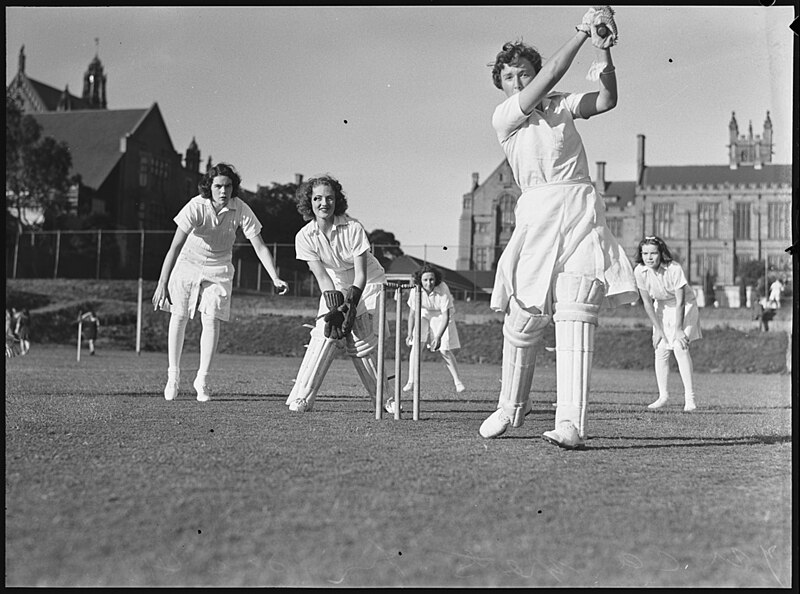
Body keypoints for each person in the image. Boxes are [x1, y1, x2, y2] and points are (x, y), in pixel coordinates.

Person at [478, 6, 638, 450]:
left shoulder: (562, 106)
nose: (518, 80)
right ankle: (511, 406)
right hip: (536, 214)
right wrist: (583, 30)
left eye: (522, 72)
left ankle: (571, 424)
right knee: (524, 319)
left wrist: (604, 55)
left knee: (577, 307)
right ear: (503, 84)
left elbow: (606, 100)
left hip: (580, 207)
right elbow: (550, 74)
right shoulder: (506, 117)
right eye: (510, 76)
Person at [152, 162, 289, 402]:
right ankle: (173, 376)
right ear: (209, 187)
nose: (223, 191)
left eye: (228, 186)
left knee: (212, 318)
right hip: (188, 261)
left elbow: (259, 246)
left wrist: (275, 277)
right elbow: (174, 247)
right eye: (218, 186)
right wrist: (162, 283)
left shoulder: (241, 209)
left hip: (220, 265)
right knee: (179, 315)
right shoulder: (196, 206)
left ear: (233, 187)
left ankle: (202, 380)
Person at [285, 174, 395, 414]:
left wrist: (351, 304)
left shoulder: (353, 227)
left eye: (329, 198)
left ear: (337, 201)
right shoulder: (303, 236)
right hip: (334, 282)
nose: (324, 203)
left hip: (369, 281)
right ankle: (302, 397)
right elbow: (323, 278)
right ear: (309, 202)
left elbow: (361, 275)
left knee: (364, 341)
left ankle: (386, 400)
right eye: (317, 199)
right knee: (326, 335)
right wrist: (336, 309)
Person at [634, 236, 702, 411]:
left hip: (685, 306)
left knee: (680, 347)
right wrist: (657, 329)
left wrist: (678, 329)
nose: (649, 258)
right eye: (645, 253)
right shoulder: (639, 271)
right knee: (660, 349)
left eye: (653, 253)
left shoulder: (674, 268)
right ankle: (663, 396)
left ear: (661, 253)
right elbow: (648, 303)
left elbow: (680, 302)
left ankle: (690, 399)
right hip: (661, 308)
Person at [403, 264, 466, 394]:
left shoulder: (443, 288)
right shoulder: (415, 290)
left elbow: (445, 316)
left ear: (436, 279)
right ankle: (411, 381)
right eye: (425, 280)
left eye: (431, 279)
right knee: (416, 346)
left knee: (444, 350)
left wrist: (438, 337)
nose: (429, 283)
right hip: (424, 314)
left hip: (440, 316)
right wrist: (410, 333)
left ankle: (457, 381)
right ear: (420, 280)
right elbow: (412, 314)